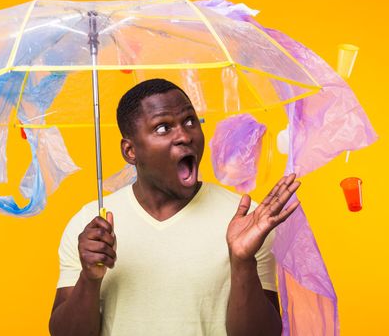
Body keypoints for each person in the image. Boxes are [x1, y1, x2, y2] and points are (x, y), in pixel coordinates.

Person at [49, 79, 300, 336]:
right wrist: (90, 279)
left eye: (190, 121)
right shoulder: (91, 229)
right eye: (163, 128)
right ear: (130, 150)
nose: (184, 135)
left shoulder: (247, 221)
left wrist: (242, 261)